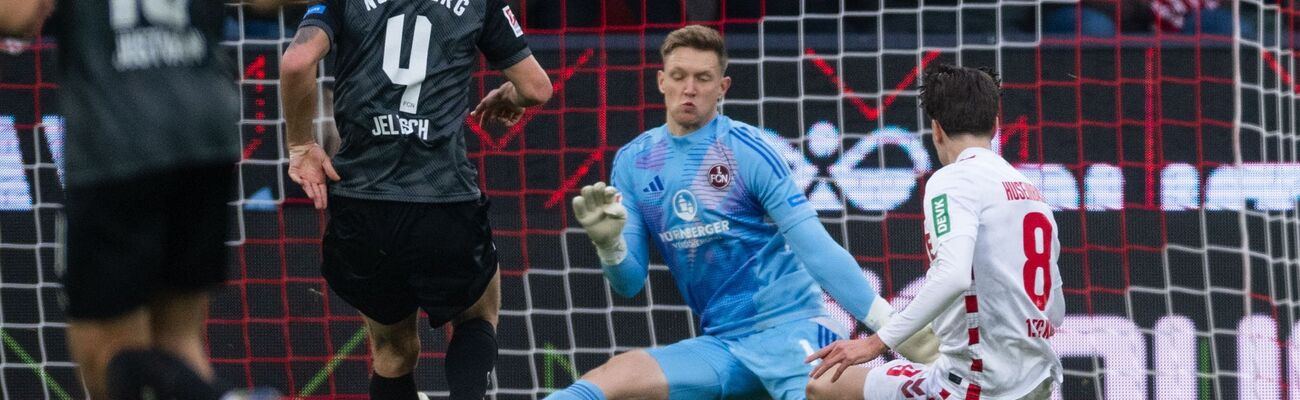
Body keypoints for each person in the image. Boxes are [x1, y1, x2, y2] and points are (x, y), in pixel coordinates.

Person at [549, 25, 938, 400]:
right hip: (723, 347)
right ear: (661, 81)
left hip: (793, 330)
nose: (689, 89)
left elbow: (817, 250)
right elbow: (629, 283)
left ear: (722, 87)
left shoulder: (747, 151)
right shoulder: (634, 162)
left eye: (703, 78)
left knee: (827, 393)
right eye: (678, 75)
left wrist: (893, 326)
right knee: (610, 380)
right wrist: (609, 245)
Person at [0, 1, 280, 399]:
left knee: (108, 360)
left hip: (120, 129)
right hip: (204, 124)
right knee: (177, 344)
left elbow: (19, 18)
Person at [277, 0, 551, 398]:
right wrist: (510, 93)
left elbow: (296, 62)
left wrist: (301, 144)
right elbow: (536, 87)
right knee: (477, 317)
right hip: (444, 198)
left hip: (363, 204)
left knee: (392, 352)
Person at [805, 64, 1064, 400]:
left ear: (936, 129)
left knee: (821, 386)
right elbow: (1053, 309)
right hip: (1035, 380)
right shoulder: (1030, 190)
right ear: (996, 127)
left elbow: (953, 276)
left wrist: (874, 343)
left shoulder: (953, 180)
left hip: (974, 387)